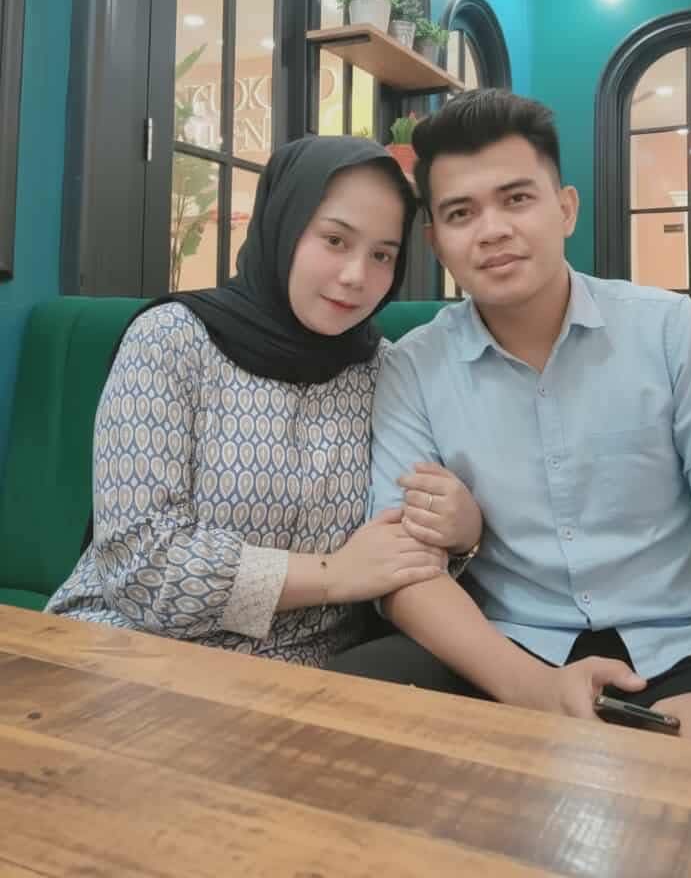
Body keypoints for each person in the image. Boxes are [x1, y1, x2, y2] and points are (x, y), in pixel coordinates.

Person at [329, 90, 691, 764]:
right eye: (460, 213)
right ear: (436, 242)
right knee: (337, 722)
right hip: (506, 648)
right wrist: (530, 688)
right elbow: (401, 563)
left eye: (516, 199)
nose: (492, 230)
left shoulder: (671, 331)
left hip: (684, 652)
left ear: (565, 208)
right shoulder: (413, 365)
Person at [46, 135, 481, 666]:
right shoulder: (172, 340)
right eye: (335, 240)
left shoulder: (384, 371)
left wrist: (462, 533)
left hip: (305, 673)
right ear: (283, 225)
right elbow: (140, 565)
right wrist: (333, 576)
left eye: (382, 255)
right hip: (128, 649)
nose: (356, 277)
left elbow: (402, 552)